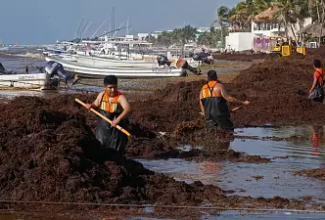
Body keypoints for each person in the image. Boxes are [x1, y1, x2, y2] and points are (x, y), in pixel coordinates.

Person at [85, 75, 131, 153]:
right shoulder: (102, 95)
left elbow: (128, 109)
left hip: (116, 134)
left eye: (115, 87)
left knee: (115, 154)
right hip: (102, 132)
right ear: (105, 88)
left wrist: (118, 119)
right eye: (110, 88)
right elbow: (95, 105)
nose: (113, 90)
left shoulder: (120, 97)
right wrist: (90, 106)